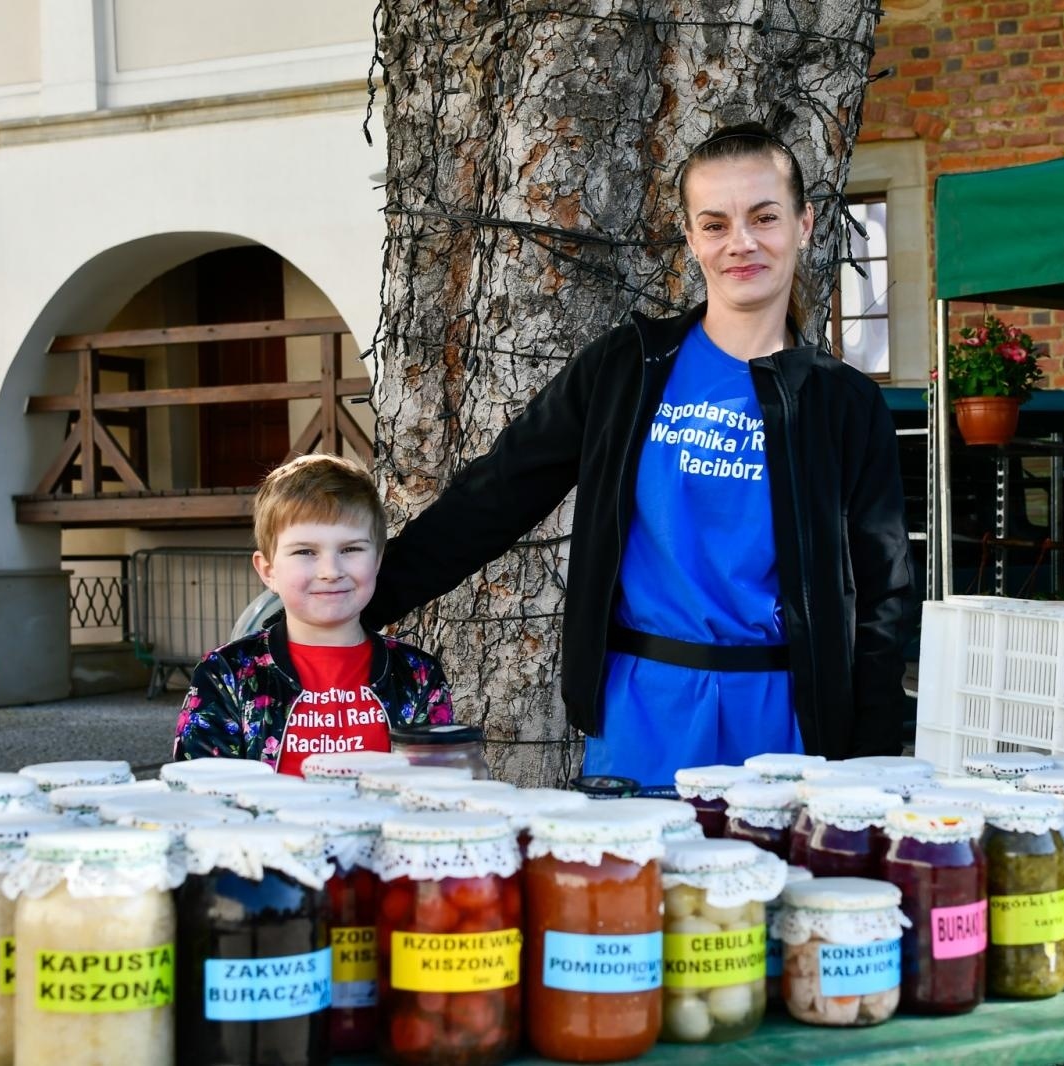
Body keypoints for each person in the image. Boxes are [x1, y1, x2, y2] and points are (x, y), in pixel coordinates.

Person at [363, 123, 917, 784]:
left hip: (784, 716)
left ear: (803, 223)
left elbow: (885, 589)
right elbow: (497, 493)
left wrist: (872, 757)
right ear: (689, 237)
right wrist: (359, 603)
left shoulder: (842, 402)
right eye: (715, 224)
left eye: (764, 217)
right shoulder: (628, 369)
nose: (741, 242)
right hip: (644, 708)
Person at [172, 454, 453, 775]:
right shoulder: (226, 675)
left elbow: (437, 791)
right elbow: (199, 796)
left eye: (351, 549)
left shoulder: (417, 675)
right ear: (268, 571)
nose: (330, 571)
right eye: (305, 551)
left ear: (376, 562)